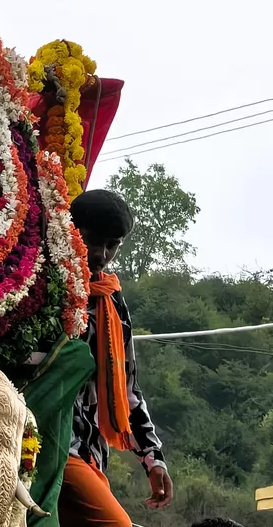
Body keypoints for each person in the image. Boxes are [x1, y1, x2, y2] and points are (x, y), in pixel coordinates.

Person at [58, 189, 173, 527]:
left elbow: (126, 388)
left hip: (92, 453)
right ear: (69, 231)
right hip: (50, 445)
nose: (101, 254)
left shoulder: (112, 301)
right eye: (92, 241)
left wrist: (153, 458)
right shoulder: (43, 287)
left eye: (112, 245)